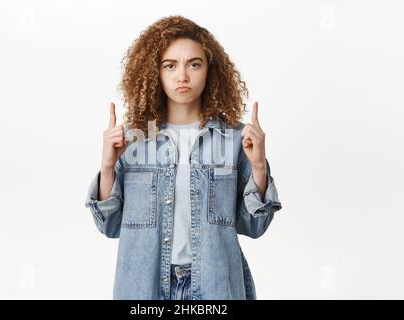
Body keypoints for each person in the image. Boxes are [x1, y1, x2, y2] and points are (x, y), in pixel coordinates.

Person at [84, 15, 282, 300]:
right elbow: (109, 225)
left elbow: (254, 226)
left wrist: (259, 167)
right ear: (155, 73)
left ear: (210, 71)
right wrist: (107, 166)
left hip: (216, 286)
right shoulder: (132, 139)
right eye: (170, 65)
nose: (182, 76)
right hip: (144, 287)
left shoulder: (238, 139)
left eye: (194, 64)